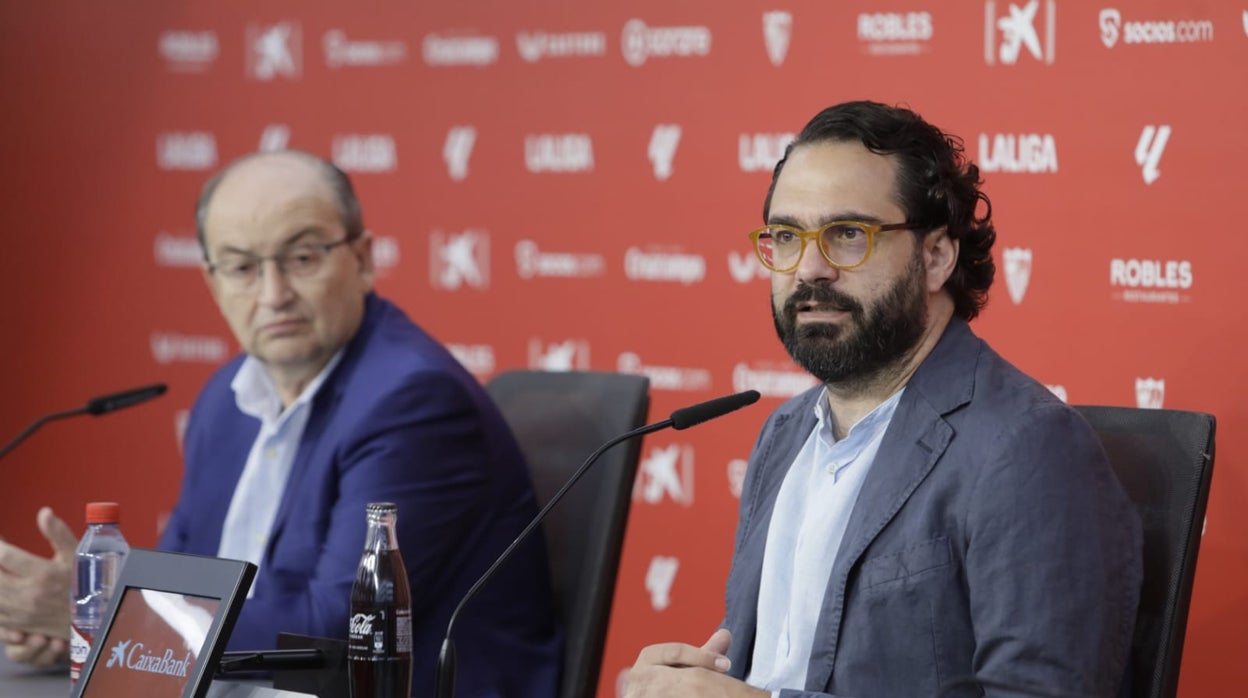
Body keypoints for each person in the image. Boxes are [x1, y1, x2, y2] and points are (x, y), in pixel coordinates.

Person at [625, 101, 1143, 698]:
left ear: (937, 257)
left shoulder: (1027, 449)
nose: (810, 269)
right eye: (787, 236)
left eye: (848, 235)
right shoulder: (785, 433)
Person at [0, 150, 561, 697]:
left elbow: (332, 639)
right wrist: (83, 631)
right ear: (213, 282)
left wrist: (108, 614)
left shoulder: (414, 402)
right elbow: (179, 584)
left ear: (362, 260)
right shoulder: (226, 398)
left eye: (302, 258)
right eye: (242, 267)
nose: (274, 295)